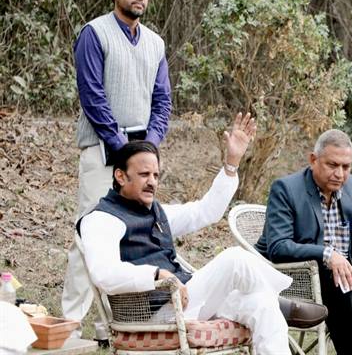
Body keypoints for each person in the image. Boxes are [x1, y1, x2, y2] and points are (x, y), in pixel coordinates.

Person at [78, 113, 327, 355]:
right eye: (144, 175)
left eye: (156, 175)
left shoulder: (155, 211)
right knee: (235, 258)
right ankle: (284, 300)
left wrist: (232, 163)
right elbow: (104, 273)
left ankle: (275, 302)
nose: (152, 182)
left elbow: (205, 211)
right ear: (120, 176)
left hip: (185, 301)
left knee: (262, 304)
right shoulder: (101, 219)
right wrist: (156, 274)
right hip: (153, 313)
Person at [62, 0, 172, 338]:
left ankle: (114, 326)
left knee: (132, 239)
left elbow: (163, 101)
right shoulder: (94, 34)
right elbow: (92, 97)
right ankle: (70, 325)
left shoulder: (155, 43)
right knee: (90, 237)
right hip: (101, 149)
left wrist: (147, 148)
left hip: (139, 154)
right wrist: (124, 149)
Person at [255, 129, 352, 355]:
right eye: (332, 165)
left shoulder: (349, 187)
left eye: (346, 167)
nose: (339, 174)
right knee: (340, 278)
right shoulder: (286, 189)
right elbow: (279, 246)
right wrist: (328, 255)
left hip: (342, 276)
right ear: (313, 160)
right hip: (298, 279)